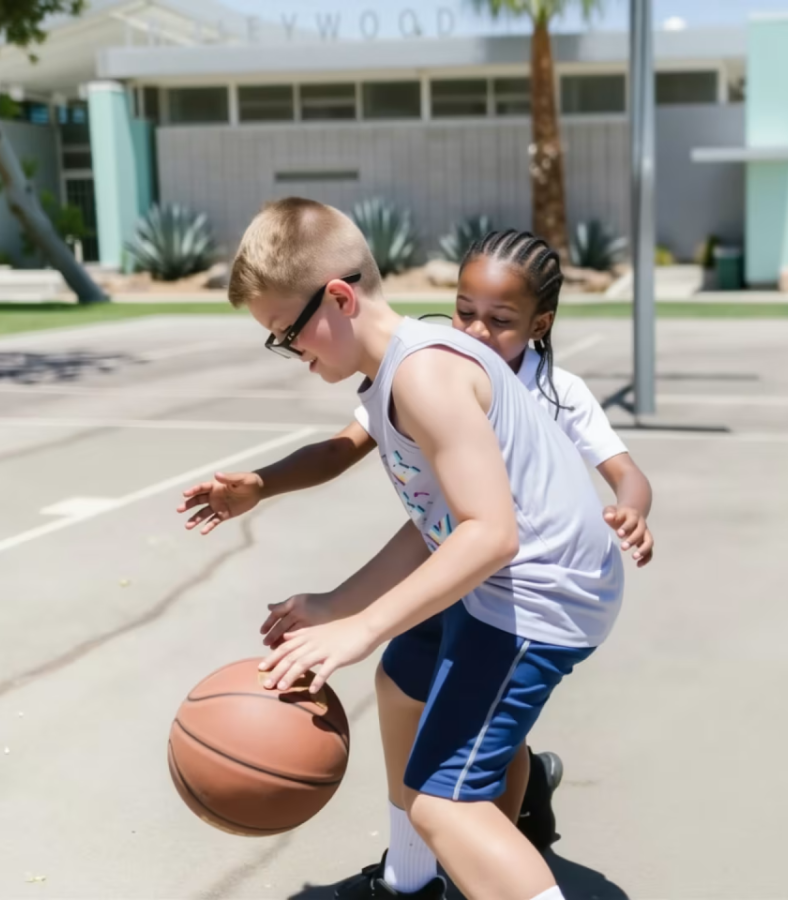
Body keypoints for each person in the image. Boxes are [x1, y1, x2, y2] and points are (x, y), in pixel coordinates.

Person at [194, 197, 624, 900]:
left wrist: (359, 628)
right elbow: (442, 523)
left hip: (536, 599)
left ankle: (462, 857)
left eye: (286, 333)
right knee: (403, 683)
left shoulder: (423, 375)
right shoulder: (405, 361)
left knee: (445, 803)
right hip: (512, 577)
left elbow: (490, 533)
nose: (290, 351)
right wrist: (337, 604)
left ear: (337, 297)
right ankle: (412, 882)